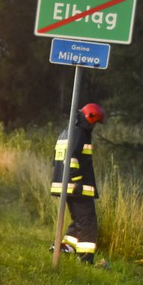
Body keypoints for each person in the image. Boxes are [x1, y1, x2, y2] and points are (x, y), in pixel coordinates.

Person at [50, 103, 105, 264]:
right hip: (76, 188)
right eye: (94, 122)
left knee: (79, 220)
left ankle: (65, 248)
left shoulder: (67, 132)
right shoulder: (79, 133)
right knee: (88, 221)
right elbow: (70, 158)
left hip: (68, 187)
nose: (94, 126)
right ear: (90, 118)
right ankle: (86, 259)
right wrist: (77, 181)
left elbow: (57, 160)